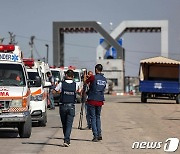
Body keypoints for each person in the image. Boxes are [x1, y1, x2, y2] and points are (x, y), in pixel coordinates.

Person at [54, 69, 76, 147]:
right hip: (71, 107)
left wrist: (60, 92)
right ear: (73, 76)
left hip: (63, 106)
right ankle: (67, 140)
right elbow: (79, 92)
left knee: (64, 124)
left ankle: (66, 139)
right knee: (69, 125)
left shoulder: (61, 84)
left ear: (66, 75)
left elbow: (54, 91)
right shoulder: (75, 84)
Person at [86, 64, 107, 142]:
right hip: (100, 100)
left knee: (93, 118)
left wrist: (86, 78)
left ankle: (95, 135)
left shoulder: (93, 77)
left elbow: (86, 82)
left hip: (92, 99)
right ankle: (99, 134)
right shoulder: (104, 79)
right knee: (98, 117)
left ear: (96, 69)